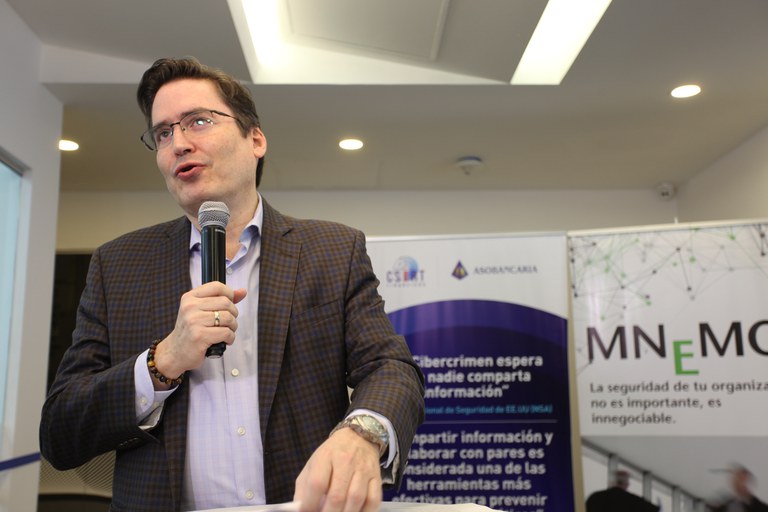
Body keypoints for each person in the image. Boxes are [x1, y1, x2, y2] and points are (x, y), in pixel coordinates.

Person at [39, 56, 425, 512]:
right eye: (163, 133)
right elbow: (61, 431)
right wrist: (162, 362)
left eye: (198, 121)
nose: (179, 143)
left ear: (255, 139)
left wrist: (362, 433)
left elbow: (390, 368)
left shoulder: (332, 250)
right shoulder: (118, 265)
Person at [586, 469, 660, 512]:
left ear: (611, 482)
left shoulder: (595, 497)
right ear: (627, 484)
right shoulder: (634, 501)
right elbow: (653, 509)